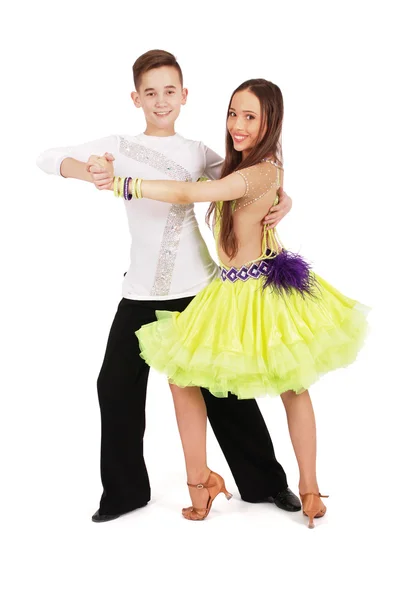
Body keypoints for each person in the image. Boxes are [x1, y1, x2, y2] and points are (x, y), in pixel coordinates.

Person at [89, 77, 368, 528]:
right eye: (233, 113)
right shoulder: (245, 166)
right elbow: (234, 184)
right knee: (184, 378)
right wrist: (286, 197)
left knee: (291, 384)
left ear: (270, 122)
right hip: (226, 287)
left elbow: (187, 193)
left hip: (262, 292)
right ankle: (202, 483)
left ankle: (309, 487)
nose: (238, 124)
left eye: (250, 117)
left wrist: (124, 183)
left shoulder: (256, 171)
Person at [36, 50, 300, 523]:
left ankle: (266, 485)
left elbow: (249, 178)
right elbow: (47, 158)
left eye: (170, 91)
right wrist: (88, 169)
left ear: (184, 96)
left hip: (199, 289)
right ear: (136, 98)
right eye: (151, 92)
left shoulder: (197, 152)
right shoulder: (117, 145)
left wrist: (287, 197)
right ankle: (124, 493)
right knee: (114, 386)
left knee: (224, 390)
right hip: (139, 291)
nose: (161, 101)